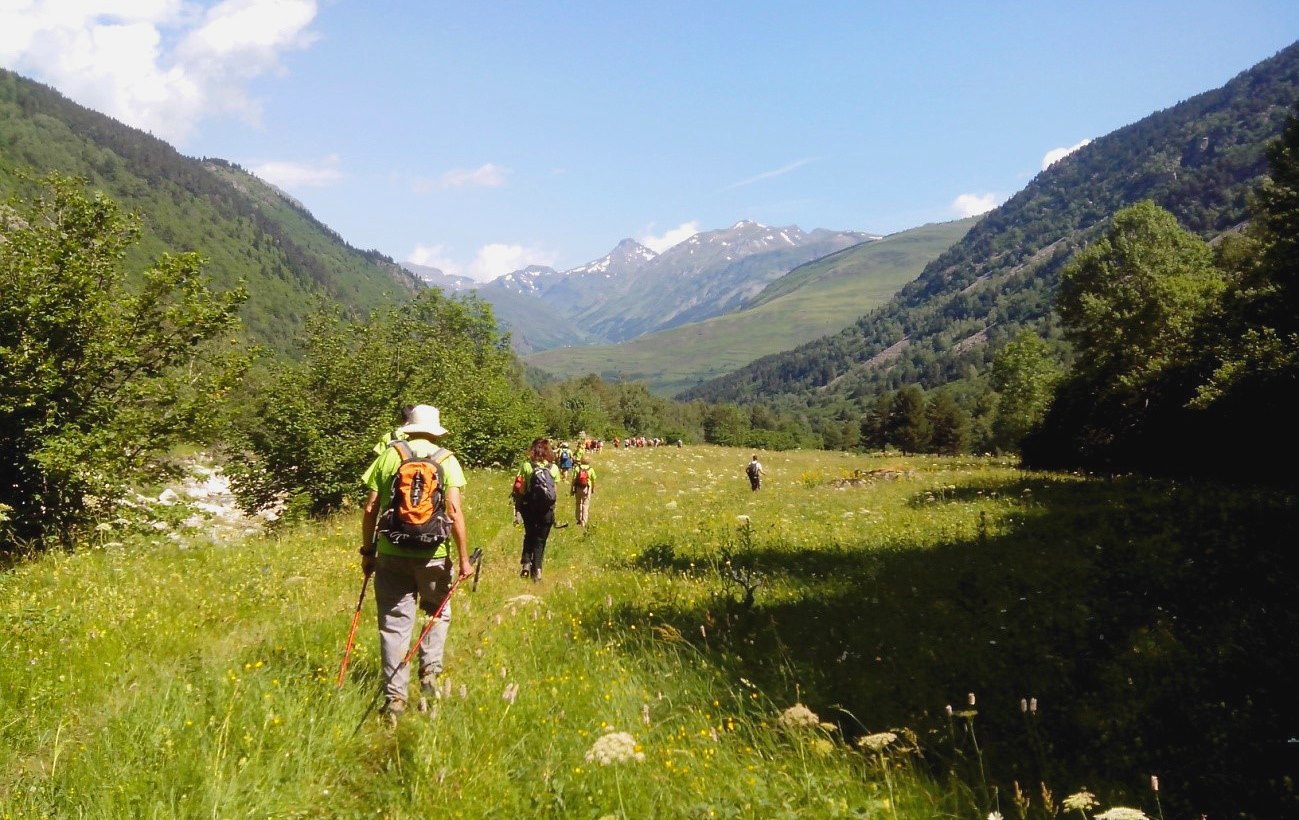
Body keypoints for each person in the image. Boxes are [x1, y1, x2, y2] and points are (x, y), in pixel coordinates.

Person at [360, 404, 474, 720]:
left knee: (394, 624)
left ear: (409, 427)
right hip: (434, 554)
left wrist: (368, 552)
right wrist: (464, 559)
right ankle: (430, 673)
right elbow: (453, 512)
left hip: (391, 552)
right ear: (436, 429)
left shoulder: (389, 456)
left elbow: (370, 509)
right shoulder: (446, 461)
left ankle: (395, 699)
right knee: (437, 612)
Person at [513, 437, 560, 582]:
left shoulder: (526, 466)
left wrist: (518, 505)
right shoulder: (553, 468)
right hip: (546, 509)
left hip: (529, 506)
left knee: (529, 535)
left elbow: (520, 489)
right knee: (541, 540)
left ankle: (526, 564)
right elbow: (554, 492)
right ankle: (538, 570)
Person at [570, 454, 596, 526]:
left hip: (578, 488)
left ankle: (578, 519)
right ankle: (584, 521)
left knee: (578, 504)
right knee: (585, 505)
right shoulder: (591, 469)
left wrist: (572, 489)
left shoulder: (577, 468)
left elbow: (573, 480)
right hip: (587, 488)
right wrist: (593, 488)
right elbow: (593, 480)